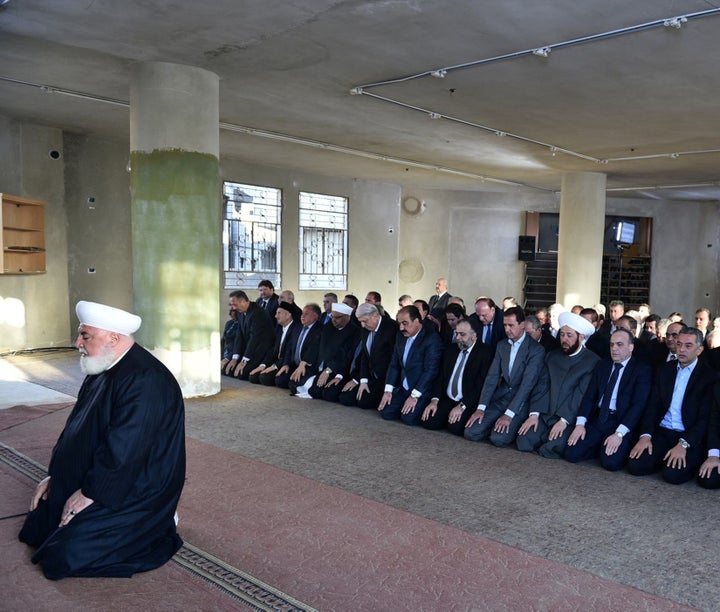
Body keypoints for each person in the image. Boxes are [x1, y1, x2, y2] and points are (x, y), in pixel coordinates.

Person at [19, 301, 185, 580]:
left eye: (85, 336)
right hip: (107, 469)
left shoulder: (147, 380)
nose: (77, 343)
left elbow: (127, 450)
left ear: (114, 338)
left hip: (137, 483)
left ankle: (161, 521)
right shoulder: (103, 366)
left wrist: (90, 493)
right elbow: (76, 428)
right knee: (38, 526)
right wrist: (55, 476)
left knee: (62, 556)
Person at [627, 327, 717, 484]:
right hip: (662, 431)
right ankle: (663, 457)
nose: (681, 349)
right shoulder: (664, 370)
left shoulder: (709, 377)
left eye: (688, 346)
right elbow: (652, 407)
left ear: (700, 349)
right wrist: (645, 436)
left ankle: (677, 459)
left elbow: (705, 419)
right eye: (679, 344)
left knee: (673, 476)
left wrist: (684, 444)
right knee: (635, 466)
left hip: (688, 434)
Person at [564, 328, 652, 471]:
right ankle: (599, 446)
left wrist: (619, 434)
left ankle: (605, 447)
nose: (614, 349)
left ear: (631, 347)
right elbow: (590, 396)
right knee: (571, 454)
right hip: (599, 418)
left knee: (611, 463)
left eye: (619, 344)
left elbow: (638, 405)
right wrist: (580, 424)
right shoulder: (602, 365)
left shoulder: (641, 370)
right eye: (611, 345)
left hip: (620, 421)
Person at [516, 312, 599, 458]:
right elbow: (542, 386)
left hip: (568, 417)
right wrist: (534, 414)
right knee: (524, 441)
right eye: (562, 335)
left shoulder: (592, 362)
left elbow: (579, 396)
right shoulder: (552, 356)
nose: (564, 340)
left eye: (569, 335)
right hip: (545, 412)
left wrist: (564, 420)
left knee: (551, 448)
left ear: (581, 337)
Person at [464, 306, 545, 447]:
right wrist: (481, 408)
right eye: (505, 325)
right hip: (501, 398)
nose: (507, 329)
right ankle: (493, 425)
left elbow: (527, 385)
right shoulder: (502, 346)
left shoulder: (536, 350)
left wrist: (509, 414)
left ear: (522, 325)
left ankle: (505, 426)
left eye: (511, 325)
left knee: (498, 439)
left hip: (520, 402)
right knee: (471, 432)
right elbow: (492, 377)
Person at [420, 320, 492, 433]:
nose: (458, 337)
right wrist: (434, 400)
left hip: (467, 400)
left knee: (455, 427)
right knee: (429, 421)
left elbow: (480, 385)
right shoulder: (451, 349)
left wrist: (463, 406)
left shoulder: (485, 353)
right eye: (456, 333)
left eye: (462, 334)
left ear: (474, 336)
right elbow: (440, 377)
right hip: (448, 398)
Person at [378, 305, 443, 425]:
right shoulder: (400, 336)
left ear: (417, 321)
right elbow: (394, 365)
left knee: (408, 418)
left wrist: (415, 395)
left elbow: (430, 370)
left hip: (421, 389)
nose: (401, 327)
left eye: (405, 323)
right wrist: (388, 390)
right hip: (403, 388)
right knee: (386, 412)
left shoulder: (431, 339)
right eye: (399, 323)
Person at [338, 303, 398, 409]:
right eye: (360, 322)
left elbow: (394, 362)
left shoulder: (391, 328)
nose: (362, 325)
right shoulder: (365, 328)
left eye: (364, 321)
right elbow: (365, 356)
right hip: (370, 376)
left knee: (364, 402)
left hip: (386, 378)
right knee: (346, 397)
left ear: (375, 315)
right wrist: (363, 381)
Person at [224, 290, 275, 380]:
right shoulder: (240, 312)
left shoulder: (258, 313)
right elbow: (239, 335)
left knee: (241, 374)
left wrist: (244, 360)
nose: (233, 308)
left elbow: (254, 338)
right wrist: (234, 358)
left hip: (261, 350)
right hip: (249, 349)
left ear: (243, 301)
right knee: (226, 369)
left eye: (235, 305)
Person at [247, 302, 299, 386]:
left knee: (266, 378)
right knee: (253, 377)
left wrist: (274, 366)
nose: (275, 316)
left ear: (288, 315)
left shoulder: (296, 329)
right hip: (275, 361)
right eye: (276, 313)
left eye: (279, 313)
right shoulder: (278, 328)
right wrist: (263, 365)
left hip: (287, 364)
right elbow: (272, 349)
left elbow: (289, 354)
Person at [275, 304, 323, 389]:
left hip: (308, 366)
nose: (302, 316)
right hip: (294, 365)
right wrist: (286, 364)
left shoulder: (320, 329)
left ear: (315, 316)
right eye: (302, 313)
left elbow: (313, 350)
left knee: (294, 385)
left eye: (306, 314)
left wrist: (303, 364)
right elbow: (289, 347)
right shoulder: (298, 327)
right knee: (279, 380)